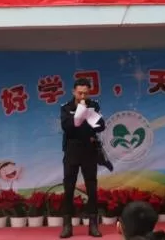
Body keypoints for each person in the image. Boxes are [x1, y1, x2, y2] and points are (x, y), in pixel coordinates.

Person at [60, 77, 106, 238]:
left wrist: (90, 117)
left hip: (89, 151)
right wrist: (79, 114)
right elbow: (67, 127)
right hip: (72, 151)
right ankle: (67, 226)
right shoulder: (66, 107)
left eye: (85, 93)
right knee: (69, 188)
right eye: (80, 93)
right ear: (74, 92)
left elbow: (101, 126)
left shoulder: (94, 106)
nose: (82, 96)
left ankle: (93, 225)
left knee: (92, 189)